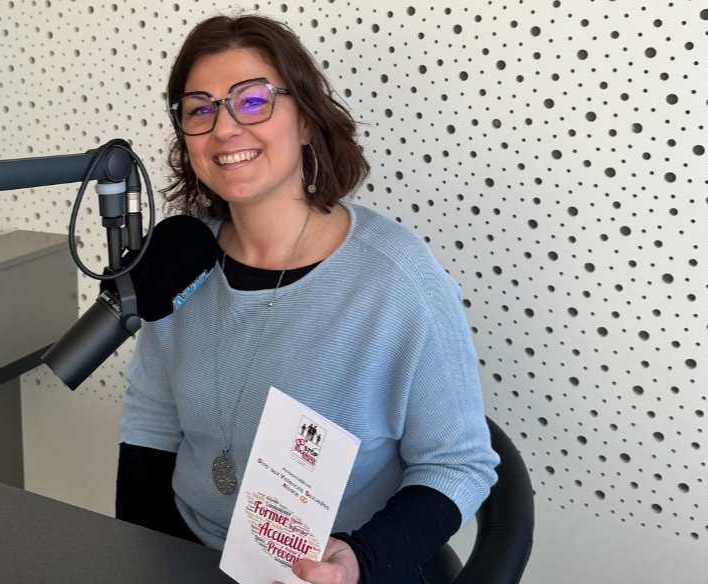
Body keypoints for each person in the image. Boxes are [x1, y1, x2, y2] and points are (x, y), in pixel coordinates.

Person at [115, 12, 499, 584]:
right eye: (199, 109)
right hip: (188, 551)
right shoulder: (179, 262)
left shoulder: (397, 279)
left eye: (252, 101)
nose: (224, 128)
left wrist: (357, 561)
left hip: (328, 569)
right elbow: (151, 422)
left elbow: (458, 464)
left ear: (306, 122)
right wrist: (135, 556)